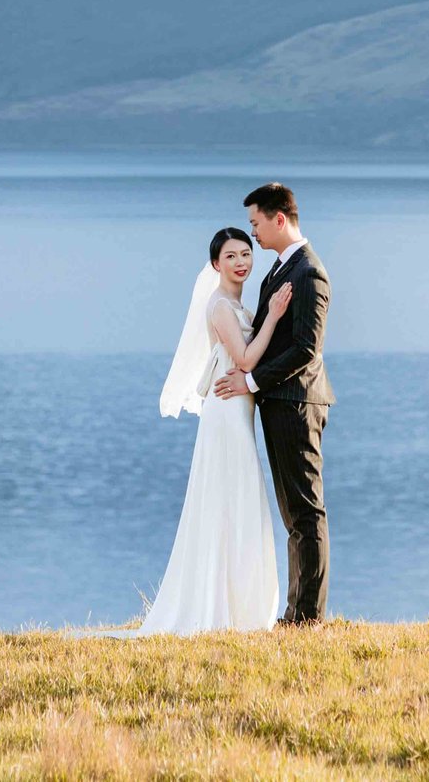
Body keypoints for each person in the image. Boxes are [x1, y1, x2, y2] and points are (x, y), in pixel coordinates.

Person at [138, 226, 292, 634]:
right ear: (215, 264)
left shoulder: (237, 304)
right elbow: (243, 360)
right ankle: (220, 608)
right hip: (225, 415)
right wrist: (274, 317)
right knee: (230, 498)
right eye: (231, 257)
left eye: (246, 254)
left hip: (238, 411)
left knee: (237, 500)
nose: (241, 262)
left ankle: (239, 604)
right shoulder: (220, 306)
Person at [213, 181, 334, 626]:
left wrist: (249, 380)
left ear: (278, 219)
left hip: (297, 403)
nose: (253, 235)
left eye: (256, 223)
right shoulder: (281, 269)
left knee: (305, 509)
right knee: (293, 512)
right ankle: (296, 612)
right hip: (280, 402)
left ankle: (307, 617)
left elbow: (306, 348)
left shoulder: (309, 273)